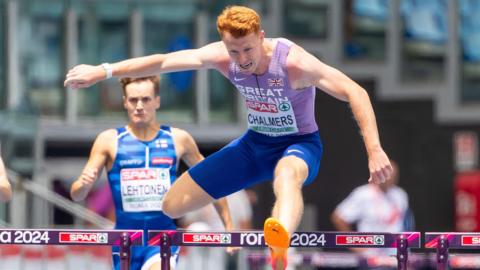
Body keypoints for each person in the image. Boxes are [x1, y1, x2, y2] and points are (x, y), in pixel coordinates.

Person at [64, 5, 393, 269]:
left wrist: (374, 149)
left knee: (286, 175)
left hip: (298, 144)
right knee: (171, 203)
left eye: (248, 49)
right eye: (234, 52)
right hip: (253, 145)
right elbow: (163, 62)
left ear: (261, 36)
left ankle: (280, 241)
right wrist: (103, 71)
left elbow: (355, 91)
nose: (243, 59)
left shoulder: (293, 62)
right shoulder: (224, 57)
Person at [69, 76, 234, 270]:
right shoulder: (109, 140)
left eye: (146, 99)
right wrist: (84, 184)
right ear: (125, 102)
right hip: (125, 240)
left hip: (162, 238)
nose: (139, 106)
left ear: (157, 101)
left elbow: (211, 182)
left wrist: (229, 227)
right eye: (133, 100)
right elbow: (76, 194)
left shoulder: (178, 139)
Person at [331, 161, 411, 260]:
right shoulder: (363, 193)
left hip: (396, 256)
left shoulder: (400, 195)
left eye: (394, 175)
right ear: (379, 174)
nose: (391, 178)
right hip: (371, 257)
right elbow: (338, 217)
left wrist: (406, 251)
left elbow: (405, 225)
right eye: (389, 174)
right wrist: (355, 246)